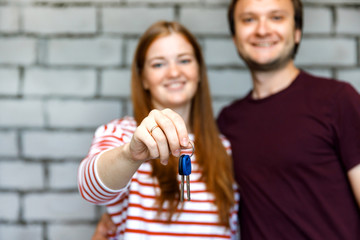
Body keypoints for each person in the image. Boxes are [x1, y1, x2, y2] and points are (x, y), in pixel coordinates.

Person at [78, 20, 239, 240]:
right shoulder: (122, 134)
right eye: (158, 64)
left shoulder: (224, 147)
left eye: (184, 60)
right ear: (143, 78)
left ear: (199, 71)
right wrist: (129, 155)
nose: (174, 72)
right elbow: (90, 189)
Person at [217, 0, 360, 239]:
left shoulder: (338, 100)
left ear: (297, 32)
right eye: (249, 19)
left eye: (276, 17)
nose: (262, 30)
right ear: (235, 37)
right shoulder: (227, 123)